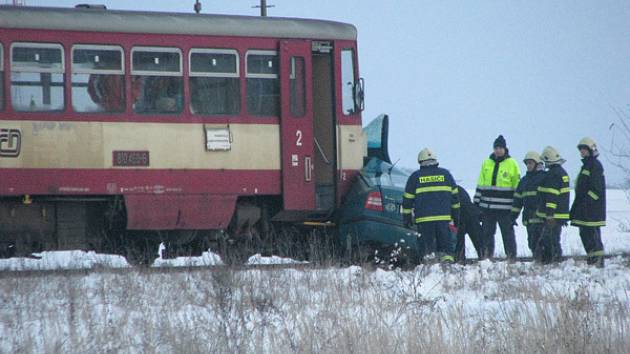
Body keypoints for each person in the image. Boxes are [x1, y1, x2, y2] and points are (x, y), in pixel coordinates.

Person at [402, 148, 460, 264]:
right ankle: (447, 270)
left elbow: (407, 201)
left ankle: (429, 272)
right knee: (446, 250)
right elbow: (455, 200)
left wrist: (407, 219)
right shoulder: (446, 175)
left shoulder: (415, 177)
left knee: (427, 251)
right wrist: (456, 217)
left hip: (424, 221)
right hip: (443, 220)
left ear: (420, 161)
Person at [473, 135, 521, 260]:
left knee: (508, 235)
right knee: (487, 235)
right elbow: (480, 185)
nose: (498, 150)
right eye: (496, 148)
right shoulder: (486, 163)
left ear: (505, 149)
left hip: (505, 209)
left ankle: (511, 258)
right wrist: (476, 205)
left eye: (500, 148)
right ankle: (487, 257)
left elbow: (517, 188)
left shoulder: (512, 164)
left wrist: (516, 209)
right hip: (487, 208)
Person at [570, 137, 606, 267]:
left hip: (592, 211)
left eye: (585, 149)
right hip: (585, 210)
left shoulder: (595, 166)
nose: (582, 152)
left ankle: (598, 262)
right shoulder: (587, 165)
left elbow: (596, 190)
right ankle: (592, 261)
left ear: (591, 150)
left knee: (592, 236)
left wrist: (586, 203)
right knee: (585, 235)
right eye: (581, 150)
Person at [535, 146, 570, 263]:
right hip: (560, 213)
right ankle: (553, 260)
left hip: (553, 215)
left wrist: (549, 214)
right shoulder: (562, 173)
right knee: (552, 238)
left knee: (550, 239)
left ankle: (554, 260)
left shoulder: (553, 175)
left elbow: (552, 196)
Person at [511, 151, 546, 259]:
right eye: (527, 163)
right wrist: (513, 216)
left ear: (537, 164)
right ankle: (538, 262)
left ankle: (546, 263)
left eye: (531, 163)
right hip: (529, 219)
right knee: (532, 243)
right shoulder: (524, 181)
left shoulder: (544, 178)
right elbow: (518, 201)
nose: (528, 166)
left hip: (542, 219)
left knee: (544, 243)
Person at [454, 185, 484, 263]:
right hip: (471, 215)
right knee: (480, 243)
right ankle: (485, 260)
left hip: (459, 217)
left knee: (459, 242)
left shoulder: (450, 190)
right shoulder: (458, 189)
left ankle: (459, 261)